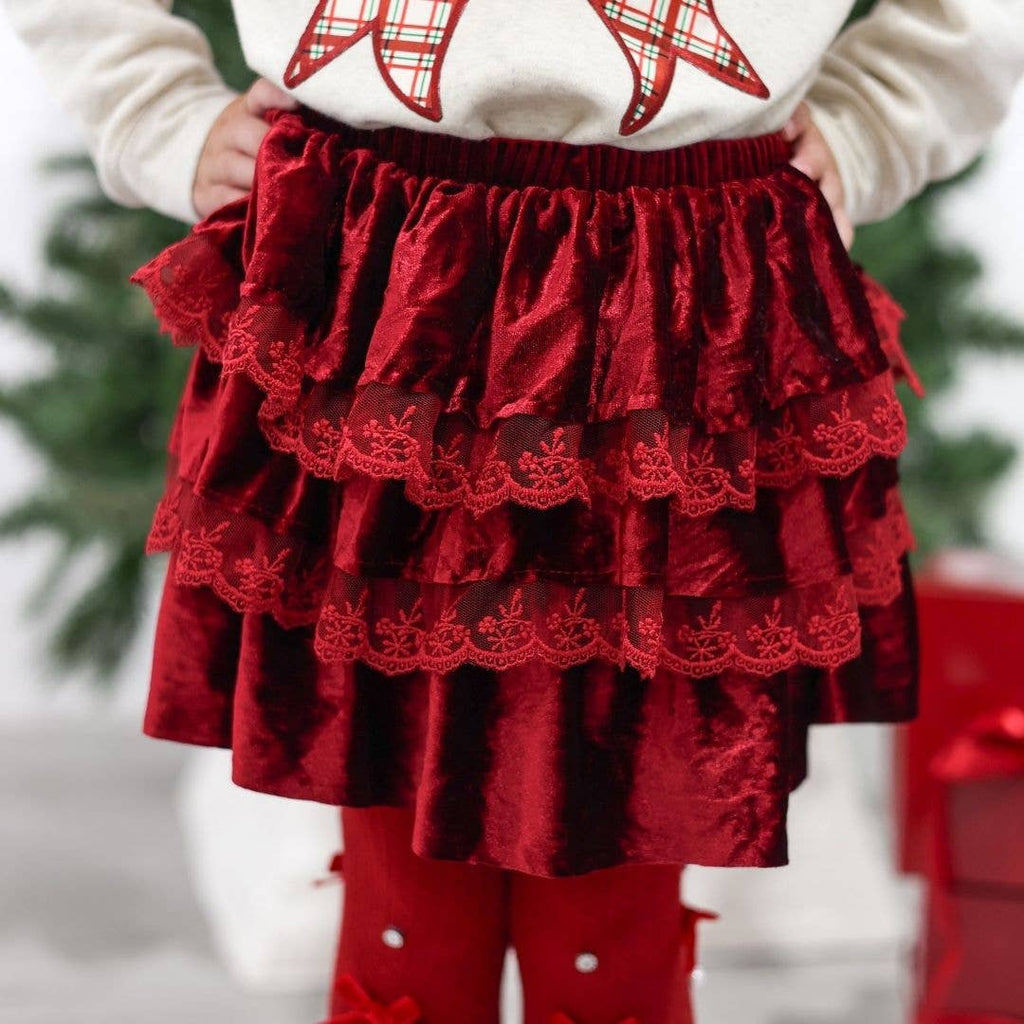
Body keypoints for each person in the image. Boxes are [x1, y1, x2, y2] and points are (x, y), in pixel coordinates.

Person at [6, 1, 1024, 1021]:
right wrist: (155, 108)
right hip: (382, 267)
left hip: (685, 278)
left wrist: (880, 115)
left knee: (617, 832)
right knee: (402, 858)